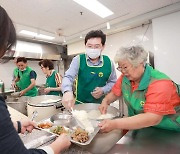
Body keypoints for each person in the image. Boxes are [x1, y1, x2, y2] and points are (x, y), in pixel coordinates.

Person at [0, 5, 71, 154]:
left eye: (43, 68)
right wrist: (56, 147)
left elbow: (61, 88)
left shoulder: (52, 74)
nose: (42, 70)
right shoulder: (38, 75)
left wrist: (16, 126)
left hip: (56, 103)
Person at [98, 45, 180, 133]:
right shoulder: (125, 77)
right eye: (120, 68)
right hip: (142, 127)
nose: (122, 71)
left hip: (169, 130)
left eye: (125, 67)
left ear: (140, 63)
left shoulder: (160, 83)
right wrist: (106, 101)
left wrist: (115, 124)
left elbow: (153, 118)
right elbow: (115, 93)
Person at [62, 30, 117, 108]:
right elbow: (68, 77)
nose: (93, 49)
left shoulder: (109, 62)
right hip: (81, 104)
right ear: (85, 46)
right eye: (89, 46)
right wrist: (67, 91)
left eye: (97, 46)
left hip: (101, 105)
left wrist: (103, 90)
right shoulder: (78, 60)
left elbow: (113, 82)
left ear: (103, 47)